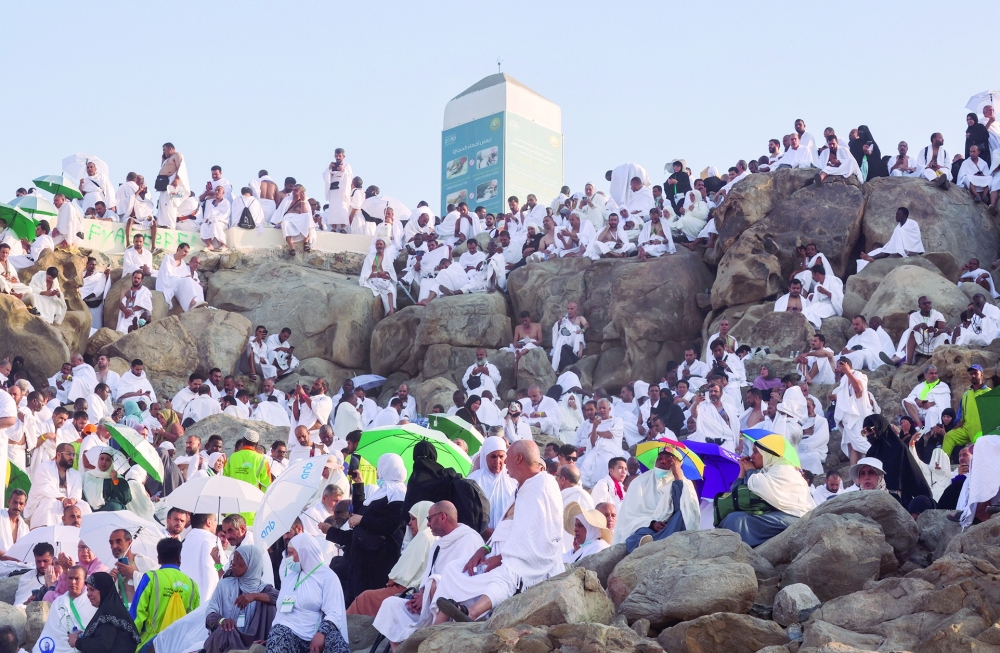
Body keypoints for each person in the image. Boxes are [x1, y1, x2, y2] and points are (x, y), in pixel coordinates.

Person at [433, 441, 563, 624]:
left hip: (528, 562)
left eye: (506, 457)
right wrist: (484, 549)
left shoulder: (543, 484)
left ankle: (470, 612)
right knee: (454, 569)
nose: (503, 463)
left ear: (518, 458)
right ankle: (434, 628)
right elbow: (506, 526)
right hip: (500, 552)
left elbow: (537, 537)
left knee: (508, 573)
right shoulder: (522, 486)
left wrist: (501, 558)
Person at [372, 501, 484, 650]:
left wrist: (430, 591)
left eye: (429, 519)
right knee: (391, 604)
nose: (428, 524)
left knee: (436, 581)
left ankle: (432, 637)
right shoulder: (438, 544)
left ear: (443, 517)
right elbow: (428, 575)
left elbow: (467, 580)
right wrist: (422, 594)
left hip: (456, 606)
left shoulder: (470, 539)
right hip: (428, 603)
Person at [325, 453, 408, 605]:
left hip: (379, 560)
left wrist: (363, 520)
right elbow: (361, 514)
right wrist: (358, 485)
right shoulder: (384, 491)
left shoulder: (398, 493)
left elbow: (391, 524)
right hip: (364, 558)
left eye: (379, 467)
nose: (377, 471)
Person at [718, 435, 816, 546]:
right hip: (781, 515)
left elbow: (759, 487)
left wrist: (751, 470)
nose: (751, 456)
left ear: (766, 453)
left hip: (796, 518)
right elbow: (737, 495)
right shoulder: (767, 471)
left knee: (737, 520)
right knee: (734, 518)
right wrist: (742, 472)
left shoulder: (783, 470)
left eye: (756, 452)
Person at [267, 533, 350, 653]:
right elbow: (280, 613)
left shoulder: (327, 577)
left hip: (319, 632)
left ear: (304, 552)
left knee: (337, 644)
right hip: (290, 632)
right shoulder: (290, 578)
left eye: (291, 553)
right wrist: (271, 637)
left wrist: (321, 634)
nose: (287, 558)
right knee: (278, 636)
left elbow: (335, 612)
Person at [618, 447, 701, 552]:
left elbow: (682, 508)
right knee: (636, 536)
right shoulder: (640, 482)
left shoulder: (685, 483)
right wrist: (652, 523)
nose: (662, 461)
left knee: (684, 514)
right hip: (648, 528)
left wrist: (678, 478)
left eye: (669, 459)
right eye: (660, 458)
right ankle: (652, 542)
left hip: (670, 527)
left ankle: (651, 544)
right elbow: (630, 515)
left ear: (676, 465)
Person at [203, 545, 278, 653]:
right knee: (224, 631)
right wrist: (222, 620)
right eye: (234, 559)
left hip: (257, 640)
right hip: (231, 637)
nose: (233, 563)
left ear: (252, 562)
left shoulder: (264, 589)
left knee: (270, 605)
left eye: (239, 559)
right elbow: (210, 613)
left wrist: (254, 596)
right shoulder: (225, 585)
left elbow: (281, 598)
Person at [69, 572, 141, 653]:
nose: (88, 594)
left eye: (92, 589)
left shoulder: (109, 615)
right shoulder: (113, 610)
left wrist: (76, 642)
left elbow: (102, 645)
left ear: (104, 589)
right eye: (87, 590)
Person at [465, 436, 518, 538]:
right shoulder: (474, 480)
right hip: (479, 537)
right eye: (493, 456)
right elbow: (468, 512)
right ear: (485, 457)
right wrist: (484, 531)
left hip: (507, 538)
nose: (497, 461)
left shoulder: (513, 480)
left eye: (501, 456)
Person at [942, 364, 991, 456]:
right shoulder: (966, 394)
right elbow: (961, 410)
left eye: (976, 373)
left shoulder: (988, 393)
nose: (973, 376)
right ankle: (942, 465)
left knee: (980, 451)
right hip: (966, 428)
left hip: (980, 430)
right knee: (949, 436)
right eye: (971, 373)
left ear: (982, 375)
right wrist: (958, 421)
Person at [857, 207, 924, 272]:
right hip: (901, 249)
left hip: (913, 249)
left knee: (888, 251)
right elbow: (894, 242)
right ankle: (871, 257)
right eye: (896, 214)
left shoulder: (912, 224)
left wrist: (900, 246)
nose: (896, 216)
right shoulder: (898, 228)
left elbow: (915, 237)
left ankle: (872, 257)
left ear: (905, 215)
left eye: (899, 214)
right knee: (888, 250)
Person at [576, 399, 624, 489]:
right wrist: (594, 427)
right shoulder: (595, 423)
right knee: (585, 465)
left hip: (611, 450)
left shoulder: (617, 421)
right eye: (600, 408)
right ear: (597, 410)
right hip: (596, 450)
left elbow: (610, 435)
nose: (602, 410)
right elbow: (593, 442)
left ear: (609, 409)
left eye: (604, 408)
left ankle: (606, 488)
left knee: (605, 462)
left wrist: (597, 432)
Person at [901, 365, 951, 431]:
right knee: (906, 400)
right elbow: (911, 397)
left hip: (933, 411)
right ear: (925, 376)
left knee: (932, 410)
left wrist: (932, 403)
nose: (934, 375)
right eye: (931, 373)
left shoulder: (943, 386)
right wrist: (917, 400)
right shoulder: (920, 386)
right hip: (919, 411)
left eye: (935, 373)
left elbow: (944, 402)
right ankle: (920, 425)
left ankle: (931, 434)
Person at [273, 184, 316, 255]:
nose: (293, 192)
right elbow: (280, 211)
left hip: (300, 218)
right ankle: (291, 246)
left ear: (301, 192)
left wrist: (303, 201)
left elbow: (304, 213)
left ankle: (306, 241)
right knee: (285, 223)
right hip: (288, 217)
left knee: (308, 218)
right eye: (293, 190)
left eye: (296, 190)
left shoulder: (305, 200)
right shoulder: (287, 199)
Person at [360, 238, 397, 316]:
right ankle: (390, 312)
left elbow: (391, 273)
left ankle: (391, 311)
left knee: (391, 290)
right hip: (374, 279)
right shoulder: (370, 257)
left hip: (384, 280)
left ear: (384, 246)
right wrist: (378, 274)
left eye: (380, 244)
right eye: (377, 244)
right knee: (386, 290)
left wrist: (386, 275)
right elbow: (365, 274)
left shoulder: (387, 258)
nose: (379, 246)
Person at [550, 302, 588, 372]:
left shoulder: (579, 318)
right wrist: (559, 322)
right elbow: (558, 329)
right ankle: (556, 367)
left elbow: (586, 324)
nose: (569, 311)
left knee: (579, 334)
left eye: (571, 309)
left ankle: (579, 355)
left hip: (574, 338)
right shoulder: (565, 319)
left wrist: (582, 330)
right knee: (560, 339)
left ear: (576, 310)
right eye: (568, 309)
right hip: (565, 338)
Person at [0, 490, 28, 558]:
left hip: (16, 565)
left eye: (21, 504)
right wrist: (8, 558)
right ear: (9, 501)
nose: (17, 506)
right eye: (15, 502)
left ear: (25, 505)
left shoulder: (24, 527)